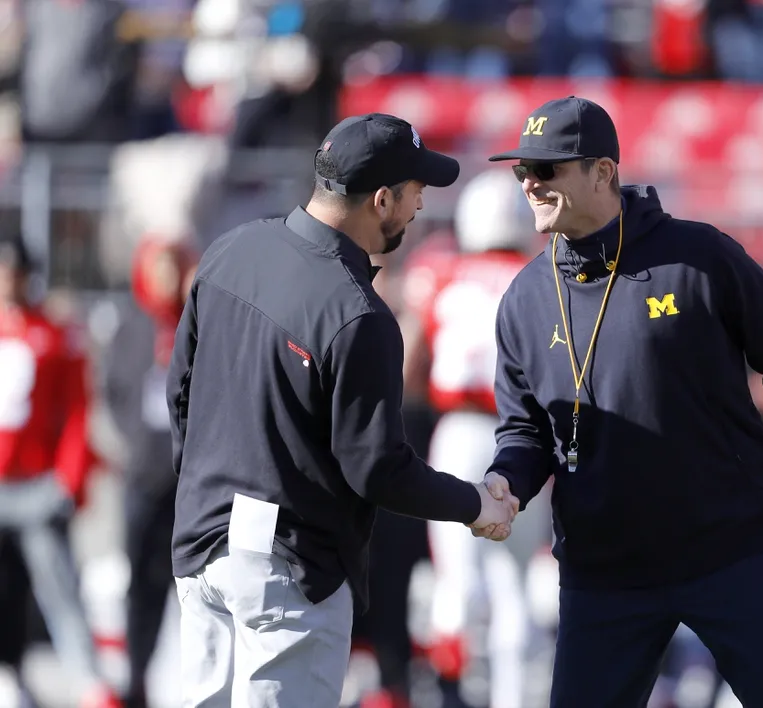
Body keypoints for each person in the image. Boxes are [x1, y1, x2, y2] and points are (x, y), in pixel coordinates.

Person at [479, 96, 763, 708]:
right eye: (523, 172)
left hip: (730, 552)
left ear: (603, 173)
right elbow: (526, 430)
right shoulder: (524, 298)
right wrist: (505, 481)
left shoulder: (700, 257)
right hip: (606, 570)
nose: (531, 184)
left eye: (548, 170)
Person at [166, 112, 518, 708]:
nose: (418, 210)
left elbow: (181, 396)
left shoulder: (231, 249)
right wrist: (473, 504)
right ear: (381, 200)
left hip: (200, 549)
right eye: (414, 195)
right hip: (287, 570)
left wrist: (206, 496)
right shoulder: (359, 315)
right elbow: (376, 469)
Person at [402, 168, 549, 707]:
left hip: (459, 430)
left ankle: (449, 693)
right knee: (514, 584)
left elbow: (411, 366)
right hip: (523, 440)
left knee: (455, 579)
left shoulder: (444, 274)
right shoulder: (541, 280)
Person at [0, 234, 120, 708]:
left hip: (33, 486)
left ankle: (89, 681)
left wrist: (68, 479)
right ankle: (9, 674)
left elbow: (76, 411)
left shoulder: (52, 335)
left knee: (58, 584)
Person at [103, 234, 198, 708]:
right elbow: (114, 392)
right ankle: (136, 681)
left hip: (189, 481)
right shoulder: (132, 325)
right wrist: (134, 447)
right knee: (140, 583)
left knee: (195, 585)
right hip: (144, 477)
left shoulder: (198, 324)